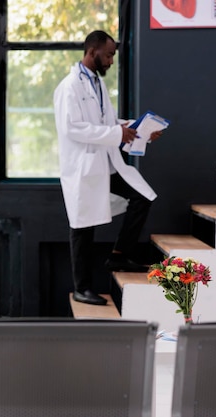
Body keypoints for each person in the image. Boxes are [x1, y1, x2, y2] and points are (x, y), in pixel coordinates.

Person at [53, 30, 163, 306]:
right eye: (109, 54)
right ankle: (82, 287)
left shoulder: (96, 84)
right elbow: (73, 128)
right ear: (92, 52)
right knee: (82, 226)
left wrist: (138, 130)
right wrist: (117, 134)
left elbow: (108, 121)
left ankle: (118, 256)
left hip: (105, 163)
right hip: (83, 167)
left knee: (142, 197)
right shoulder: (70, 87)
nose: (112, 60)